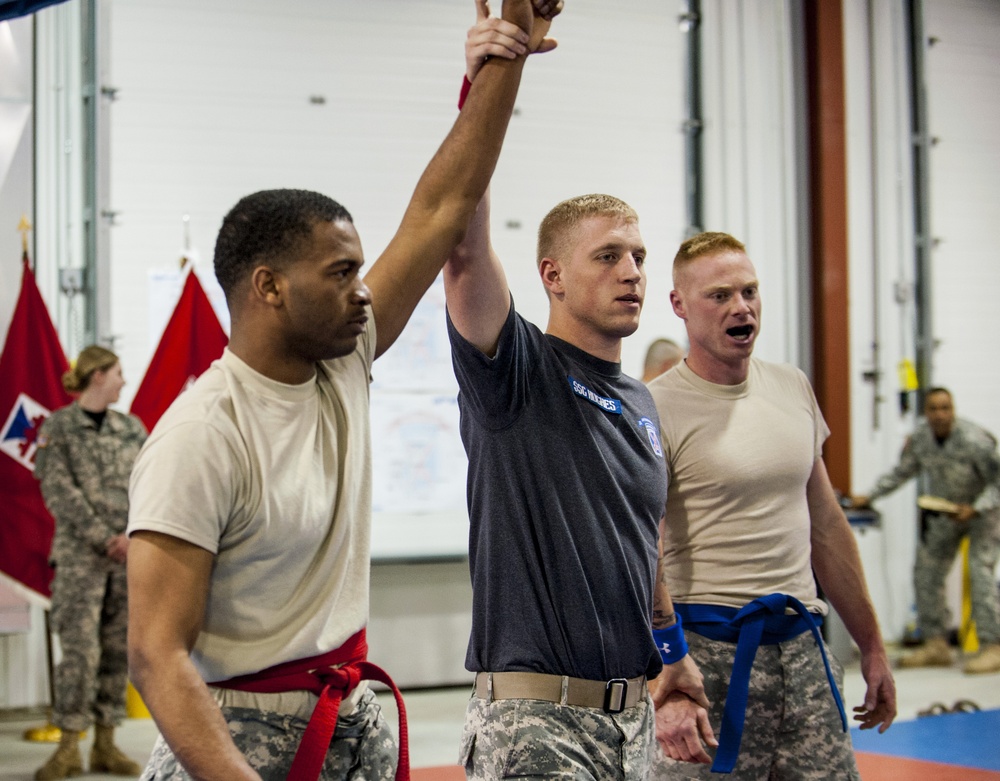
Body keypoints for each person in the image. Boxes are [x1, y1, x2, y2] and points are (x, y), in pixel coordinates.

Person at [125, 4, 558, 780]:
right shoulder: (200, 435)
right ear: (269, 288)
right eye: (340, 274)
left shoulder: (343, 362)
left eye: (360, 270)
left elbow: (441, 208)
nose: (365, 293)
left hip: (350, 719)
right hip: (236, 737)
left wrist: (504, 61)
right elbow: (156, 654)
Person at [444, 29, 710, 779]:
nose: (631, 271)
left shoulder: (644, 404)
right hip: (536, 722)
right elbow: (461, 244)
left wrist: (674, 652)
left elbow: (639, 545)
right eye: (608, 256)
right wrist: (486, 83)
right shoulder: (516, 369)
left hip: (632, 720)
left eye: (638, 256)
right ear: (552, 274)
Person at [647, 232, 896, 778]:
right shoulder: (653, 408)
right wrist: (664, 670)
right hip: (705, 656)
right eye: (719, 295)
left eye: (750, 292)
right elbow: (643, 554)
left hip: (802, 645)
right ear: (679, 305)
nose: (741, 308)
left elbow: (827, 528)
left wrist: (872, 646)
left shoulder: (792, 387)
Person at [33, 345, 148, 781]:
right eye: (118, 372)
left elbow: (151, 482)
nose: (123, 380)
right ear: (97, 375)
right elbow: (58, 491)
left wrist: (133, 536)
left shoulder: (131, 428)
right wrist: (105, 539)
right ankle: (67, 746)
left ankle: (105, 743)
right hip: (82, 560)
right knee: (79, 654)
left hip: (127, 558)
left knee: (118, 654)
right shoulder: (58, 429)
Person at [852, 387, 1000, 674]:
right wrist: (870, 496)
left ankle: (993, 647)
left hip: (983, 513)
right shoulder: (921, 439)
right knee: (926, 571)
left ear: (953, 409)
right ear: (926, 412)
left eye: (946, 408)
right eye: (934, 408)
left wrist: (977, 507)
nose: (941, 414)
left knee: (980, 573)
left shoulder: (975, 440)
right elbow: (902, 471)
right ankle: (936, 645)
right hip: (947, 511)